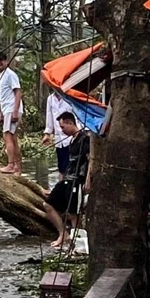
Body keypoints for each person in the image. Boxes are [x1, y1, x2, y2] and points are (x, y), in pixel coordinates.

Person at [43, 112, 91, 249]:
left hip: (77, 181)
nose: (62, 130)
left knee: (73, 214)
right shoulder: (72, 140)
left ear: (71, 123)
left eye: (63, 127)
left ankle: (78, 244)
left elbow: (90, 160)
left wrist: (88, 180)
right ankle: (63, 234)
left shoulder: (84, 139)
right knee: (48, 205)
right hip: (67, 180)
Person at [0, 51, 23, 175]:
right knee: (12, 138)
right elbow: (4, 97)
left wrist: (15, 112)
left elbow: (17, 92)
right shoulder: (2, 76)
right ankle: (17, 167)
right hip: (7, 109)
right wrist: (1, 115)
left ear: (6, 61)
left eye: (1, 60)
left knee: (7, 136)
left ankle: (11, 165)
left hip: (12, 109)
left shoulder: (10, 74)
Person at [42, 92, 74, 183]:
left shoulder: (69, 95)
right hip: (59, 139)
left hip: (71, 138)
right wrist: (47, 134)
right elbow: (49, 116)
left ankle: (70, 189)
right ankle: (60, 188)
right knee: (61, 168)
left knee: (70, 165)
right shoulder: (50, 99)